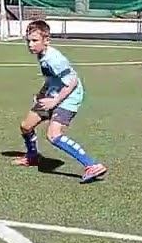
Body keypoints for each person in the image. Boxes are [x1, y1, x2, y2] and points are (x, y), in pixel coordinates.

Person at [13, 20, 108, 184]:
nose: (30, 45)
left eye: (35, 40)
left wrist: (55, 101)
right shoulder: (42, 56)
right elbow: (51, 78)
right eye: (28, 40)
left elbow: (72, 82)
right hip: (53, 94)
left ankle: (92, 165)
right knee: (26, 126)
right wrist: (42, 93)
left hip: (69, 97)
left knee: (53, 135)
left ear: (46, 40)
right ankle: (32, 156)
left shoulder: (54, 59)